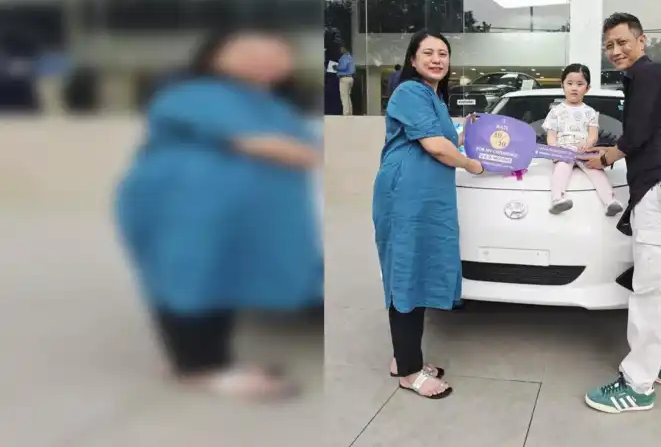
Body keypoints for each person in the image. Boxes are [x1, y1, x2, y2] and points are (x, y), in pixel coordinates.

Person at [115, 30, 323, 401]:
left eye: (277, 51)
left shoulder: (268, 103)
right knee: (192, 281)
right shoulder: (197, 93)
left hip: (232, 215)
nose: (264, 57)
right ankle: (198, 368)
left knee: (220, 282)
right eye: (249, 49)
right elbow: (266, 144)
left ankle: (207, 361)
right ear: (213, 55)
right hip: (186, 207)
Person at [578, 13, 661, 414]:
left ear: (641, 41)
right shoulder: (648, 78)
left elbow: (637, 135)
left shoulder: (648, 75)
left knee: (650, 290)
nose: (615, 51)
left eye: (622, 42)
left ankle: (637, 385)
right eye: (609, 46)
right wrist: (611, 151)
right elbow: (642, 135)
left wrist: (606, 156)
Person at [373, 30, 484, 400]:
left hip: (426, 198)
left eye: (443, 54)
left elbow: (446, 139)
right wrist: (471, 164)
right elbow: (436, 146)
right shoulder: (409, 91)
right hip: (406, 196)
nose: (437, 59)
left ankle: (403, 357)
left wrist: (470, 133)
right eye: (429, 53)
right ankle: (409, 372)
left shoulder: (433, 97)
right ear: (413, 59)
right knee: (406, 272)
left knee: (416, 271)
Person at [544, 63, 623, 216]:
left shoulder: (590, 112)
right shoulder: (555, 111)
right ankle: (557, 199)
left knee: (597, 171)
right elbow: (551, 135)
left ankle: (610, 201)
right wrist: (555, 149)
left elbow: (593, 135)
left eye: (580, 84)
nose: (574, 88)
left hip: (585, 150)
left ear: (587, 88)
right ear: (562, 86)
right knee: (560, 170)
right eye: (570, 83)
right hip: (564, 151)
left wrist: (588, 144)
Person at [336, 47, 356, 116]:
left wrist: (336, 68)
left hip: (344, 78)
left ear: (345, 49)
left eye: (342, 48)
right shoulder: (351, 57)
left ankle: (346, 113)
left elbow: (343, 67)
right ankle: (350, 113)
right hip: (350, 78)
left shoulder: (344, 57)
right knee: (347, 96)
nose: (340, 50)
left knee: (344, 96)